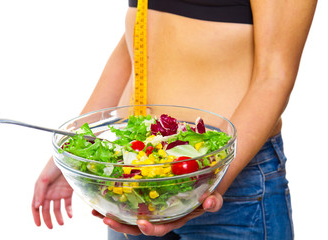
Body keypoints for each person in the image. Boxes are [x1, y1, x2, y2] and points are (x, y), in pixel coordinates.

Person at [32, 0, 317, 239]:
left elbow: (274, 76)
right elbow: (135, 42)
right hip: (132, 175)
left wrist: (204, 187)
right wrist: (80, 145)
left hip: (226, 182)